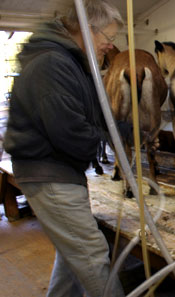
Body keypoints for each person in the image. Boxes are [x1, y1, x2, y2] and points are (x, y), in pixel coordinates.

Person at [4, 0, 125, 296]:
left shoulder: (70, 62)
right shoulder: (52, 64)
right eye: (107, 37)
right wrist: (118, 135)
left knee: (72, 257)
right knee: (92, 255)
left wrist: (122, 129)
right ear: (86, 29)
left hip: (58, 171)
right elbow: (71, 132)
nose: (110, 46)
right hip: (50, 173)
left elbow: (89, 117)